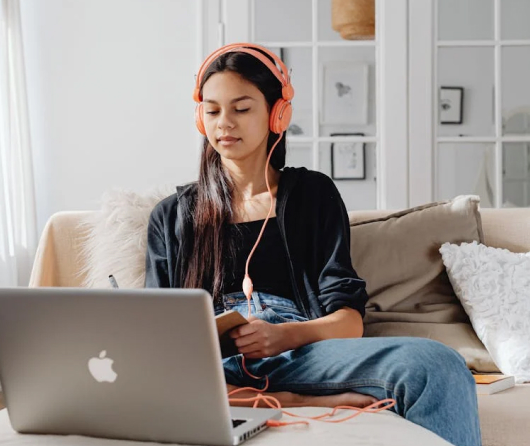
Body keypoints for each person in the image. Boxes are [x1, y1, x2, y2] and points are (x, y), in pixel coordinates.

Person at [144, 43, 481, 446]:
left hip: (303, 353)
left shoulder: (312, 194)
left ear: (276, 114)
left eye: (242, 108)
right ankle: (280, 400)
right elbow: (156, 343)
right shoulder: (171, 216)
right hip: (210, 368)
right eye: (213, 110)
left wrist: (284, 336)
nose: (224, 123)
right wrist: (294, 399)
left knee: (435, 364)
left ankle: (273, 394)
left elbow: (349, 321)